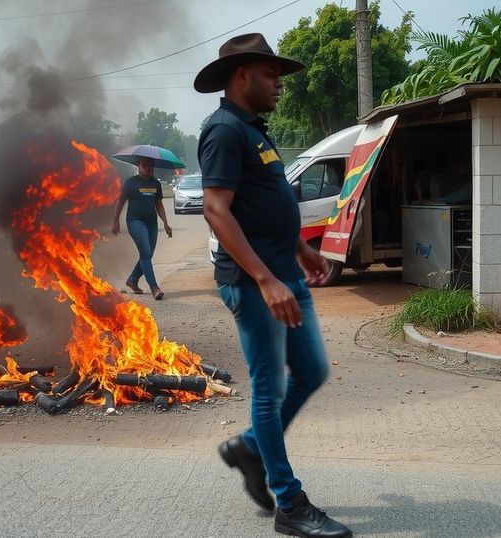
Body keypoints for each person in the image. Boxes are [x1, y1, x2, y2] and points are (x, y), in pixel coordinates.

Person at [196, 33, 352, 538]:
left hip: (284, 274)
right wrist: (264, 278)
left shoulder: (254, 130)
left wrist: (301, 249)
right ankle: (290, 502)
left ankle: (248, 447)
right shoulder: (223, 130)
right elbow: (216, 211)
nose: (279, 83)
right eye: (271, 74)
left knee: (310, 370)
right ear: (242, 76)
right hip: (254, 282)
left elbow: (265, 203)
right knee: (270, 388)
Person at [111, 156, 173, 300]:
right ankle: (154, 288)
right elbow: (120, 202)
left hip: (152, 223)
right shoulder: (131, 183)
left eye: (150, 165)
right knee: (145, 252)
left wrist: (165, 222)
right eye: (144, 165)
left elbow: (158, 204)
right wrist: (115, 221)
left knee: (148, 254)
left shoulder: (155, 183)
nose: (148, 168)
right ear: (138, 165)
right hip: (135, 222)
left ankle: (132, 280)